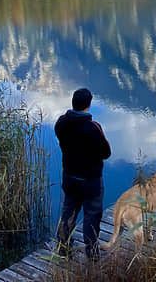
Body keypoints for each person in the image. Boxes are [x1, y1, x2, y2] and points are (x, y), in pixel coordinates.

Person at [55, 88, 111, 259]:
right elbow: (106, 153)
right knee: (92, 216)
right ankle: (92, 253)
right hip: (90, 180)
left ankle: (63, 247)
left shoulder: (61, 123)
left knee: (68, 211)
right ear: (88, 105)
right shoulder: (93, 128)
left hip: (70, 177)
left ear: (73, 103)